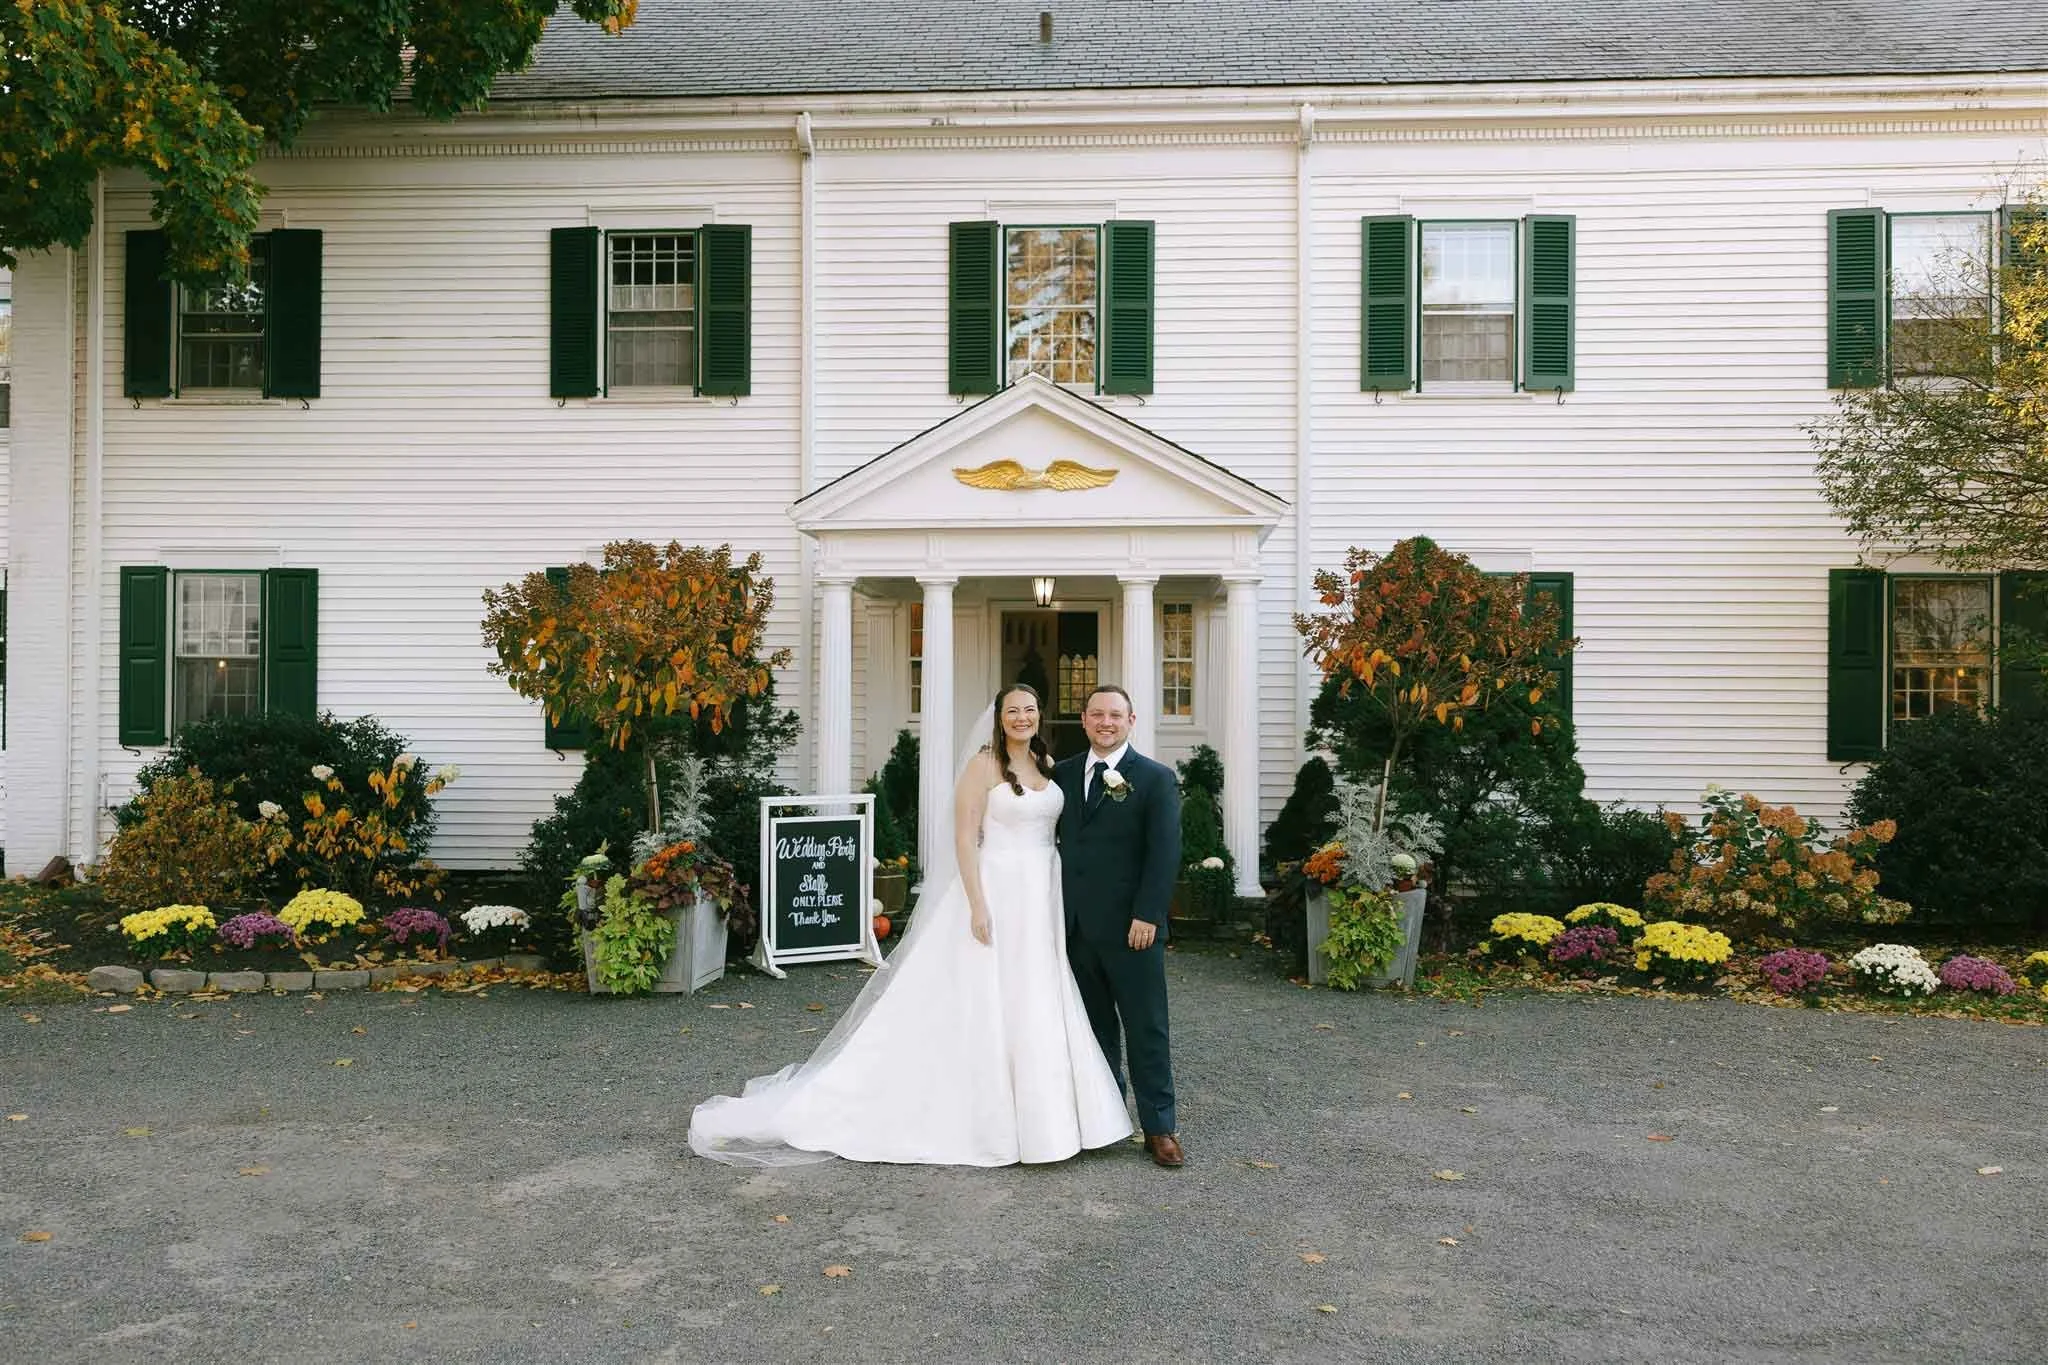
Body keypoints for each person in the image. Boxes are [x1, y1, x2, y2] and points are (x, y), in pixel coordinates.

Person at [687, 684, 1131, 1167]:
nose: (1022, 718)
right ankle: (994, 1122)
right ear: (999, 718)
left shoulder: (1047, 765)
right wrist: (978, 905)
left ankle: (1051, 1120)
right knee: (989, 995)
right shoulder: (983, 765)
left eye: (1029, 710)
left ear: (1039, 716)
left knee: (1038, 993)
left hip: (1041, 893)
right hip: (997, 889)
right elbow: (965, 838)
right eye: (1012, 711)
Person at [1053, 684, 1186, 1168]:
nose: (1105, 723)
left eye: (1115, 715)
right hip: (1076, 928)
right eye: (1096, 715)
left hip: (1134, 929)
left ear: (1131, 720)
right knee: (1093, 1029)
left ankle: (1160, 1127)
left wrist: (1148, 913)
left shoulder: (1154, 778)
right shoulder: (1063, 775)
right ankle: (1106, 1119)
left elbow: (1164, 852)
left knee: (1147, 1027)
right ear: (1084, 721)